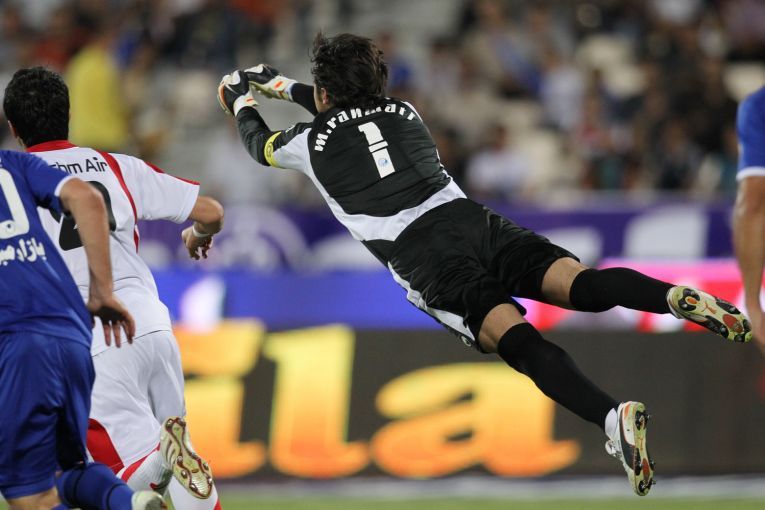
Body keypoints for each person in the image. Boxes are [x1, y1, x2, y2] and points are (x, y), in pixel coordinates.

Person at [216, 33, 754, 496]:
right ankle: (670, 297)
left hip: (422, 254)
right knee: (583, 284)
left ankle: (612, 417)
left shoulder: (309, 142)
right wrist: (282, 85)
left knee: (520, 343)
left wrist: (241, 100)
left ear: (324, 93)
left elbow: (262, 143)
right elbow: (346, 108)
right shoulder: (404, 111)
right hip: (473, 222)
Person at [3, 67, 224, 509]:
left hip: (92, 333)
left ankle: (157, 459)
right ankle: (165, 457)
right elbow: (211, 211)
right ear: (69, 116)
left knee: (96, 477)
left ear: (12, 128)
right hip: (151, 322)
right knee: (184, 465)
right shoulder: (115, 165)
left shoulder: (13, 182)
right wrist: (198, 235)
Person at [0, 149, 165, 509]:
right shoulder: (14, 163)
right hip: (72, 330)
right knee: (68, 469)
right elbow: (87, 198)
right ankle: (129, 504)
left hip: (18, 340)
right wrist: (102, 291)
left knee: (30, 496)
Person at [733, 84, 765, 354]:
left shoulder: (757, 108)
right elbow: (752, 205)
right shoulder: (757, 109)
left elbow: (752, 205)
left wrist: (753, 304)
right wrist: (752, 304)